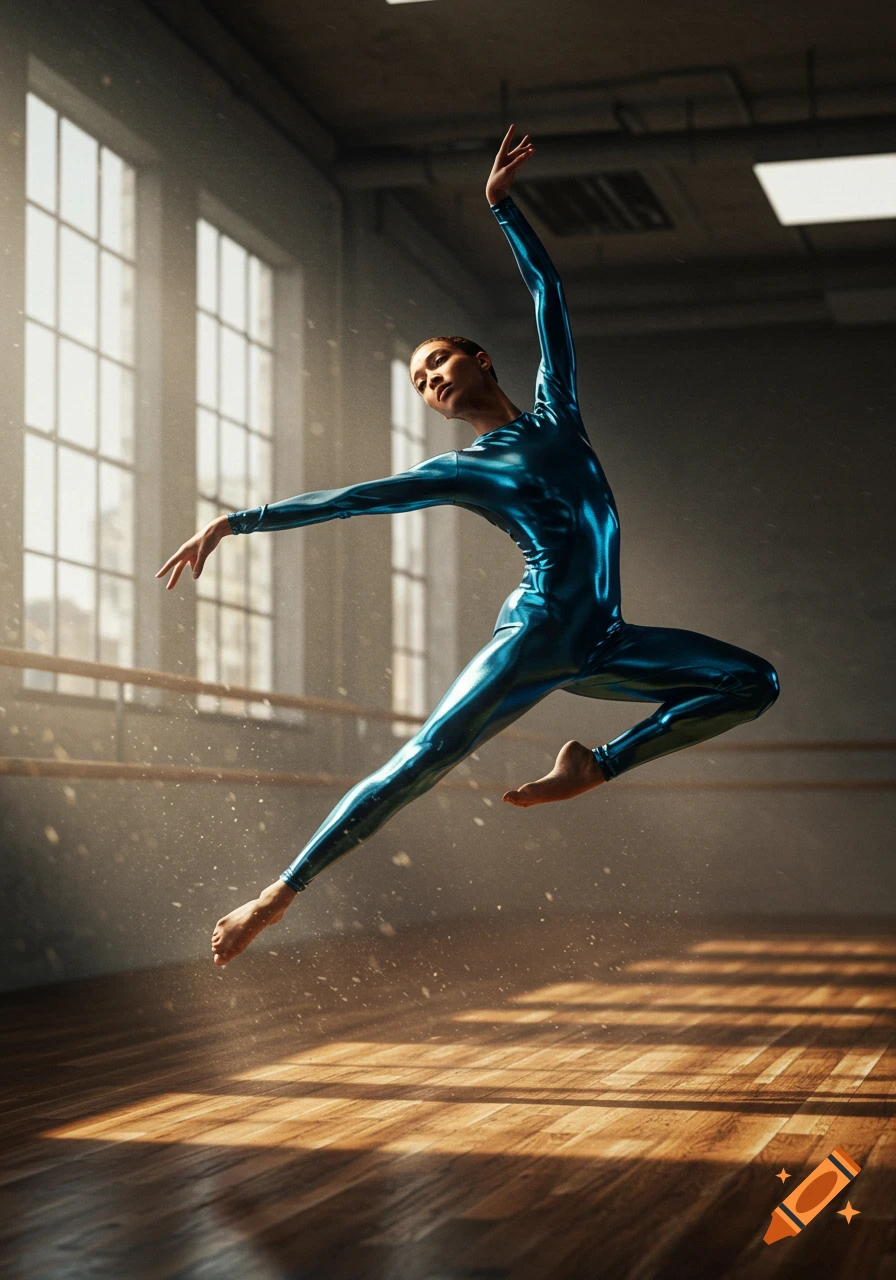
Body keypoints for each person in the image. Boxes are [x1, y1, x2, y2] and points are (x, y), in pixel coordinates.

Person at [158, 126, 779, 966]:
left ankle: (595, 767)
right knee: (422, 763)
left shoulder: (559, 412)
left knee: (751, 681)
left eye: (438, 362)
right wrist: (237, 520)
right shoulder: (462, 469)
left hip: (601, 640)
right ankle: (275, 898)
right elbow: (353, 500)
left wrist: (502, 208)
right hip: (533, 638)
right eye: (418, 381)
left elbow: (549, 294)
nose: (431, 381)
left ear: (479, 359)